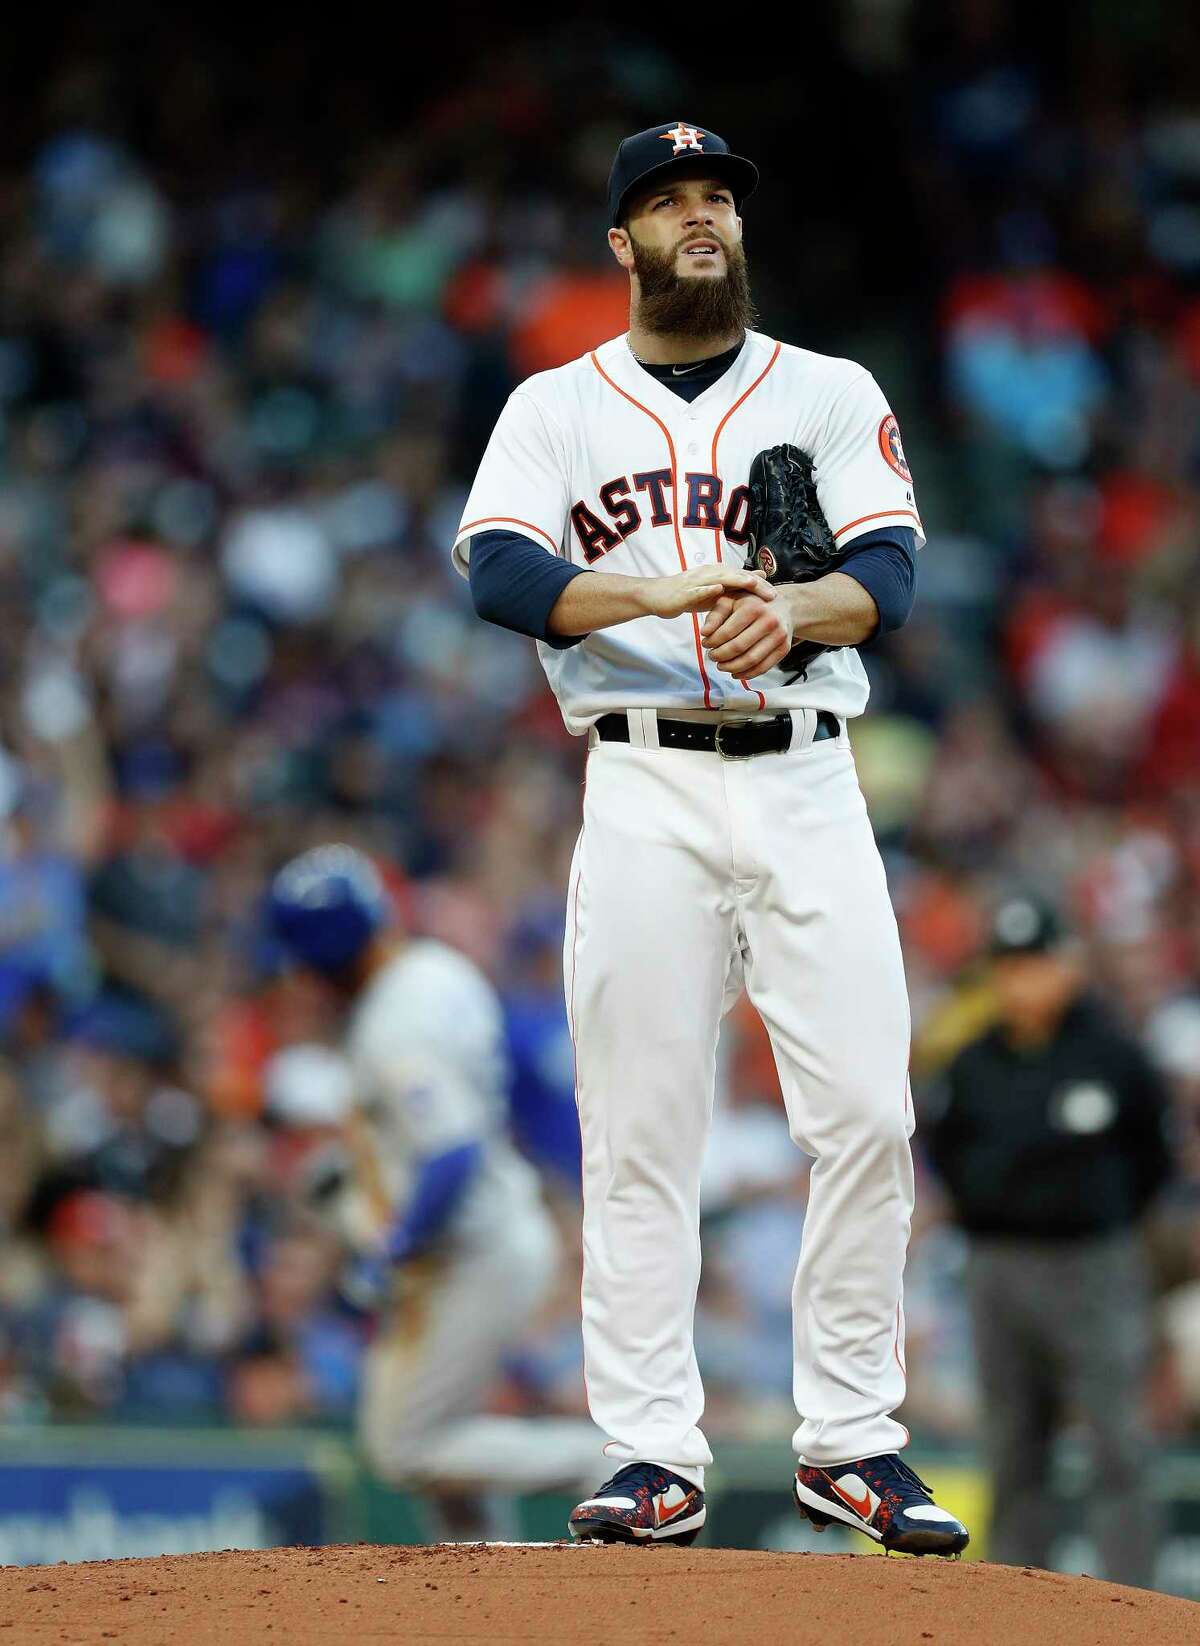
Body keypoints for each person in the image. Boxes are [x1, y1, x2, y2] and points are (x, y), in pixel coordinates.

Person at [454, 119, 968, 1555]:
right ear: (620, 243)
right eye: (667, 201)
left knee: (868, 1110)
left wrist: (788, 609)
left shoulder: (828, 389)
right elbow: (500, 572)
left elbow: (890, 572)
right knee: (640, 1131)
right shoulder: (558, 407)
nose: (698, 218)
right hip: (642, 786)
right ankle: (650, 1453)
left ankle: (852, 1438)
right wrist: (669, 593)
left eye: (716, 200)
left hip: (807, 774)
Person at [266, 845, 601, 1532]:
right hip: (494, 1231)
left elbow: (450, 1154)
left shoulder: (396, 1024)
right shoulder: (435, 967)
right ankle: (482, 1599)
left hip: (469, 1253)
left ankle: (608, 1468)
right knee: (444, 1442)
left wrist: (389, 1251)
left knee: (407, 1447)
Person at [924, 895, 1173, 1586]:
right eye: (1009, 967)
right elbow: (944, 1154)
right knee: (1011, 1447)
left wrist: (1103, 1215)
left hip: (1093, 1263)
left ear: (1068, 965)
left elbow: (1154, 1158)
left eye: (1035, 964)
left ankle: (1135, 1602)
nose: (1022, 981)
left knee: (1117, 1443)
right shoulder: (972, 1064)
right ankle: (1017, 1601)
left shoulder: (1115, 1057)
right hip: (997, 1266)